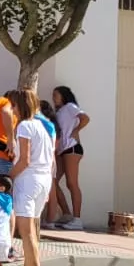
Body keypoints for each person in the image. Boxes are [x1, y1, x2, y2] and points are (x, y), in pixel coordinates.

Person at [0, 88, 55, 266]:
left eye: (13, 106)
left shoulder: (24, 126)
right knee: (32, 231)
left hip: (28, 180)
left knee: (26, 232)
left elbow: (24, 160)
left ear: (19, 106)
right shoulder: (43, 126)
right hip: (43, 180)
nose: (11, 109)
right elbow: (49, 160)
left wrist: (8, 177)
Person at [49, 86, 89, 229]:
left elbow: (85, 118)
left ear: (64, 96)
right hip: (61, 150)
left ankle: (77, 219)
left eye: (56, 95)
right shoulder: (59, 111)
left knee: (71, 183)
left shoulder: (70, 107)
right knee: (52, 181)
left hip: (71, 148)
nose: (54, 98)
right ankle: (66, 213)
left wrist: (76, 131)